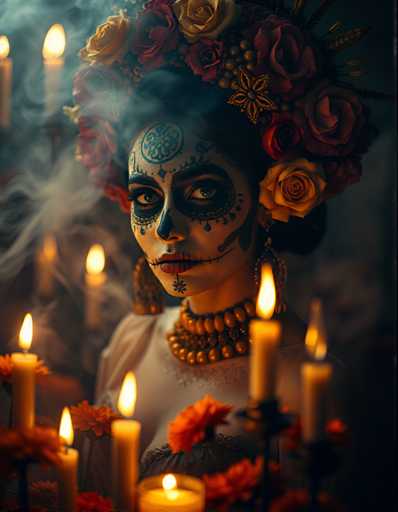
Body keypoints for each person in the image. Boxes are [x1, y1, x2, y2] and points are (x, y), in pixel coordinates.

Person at [69, 0, 378, 480]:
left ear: (267, 195)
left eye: (204, 192)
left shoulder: (305, 382)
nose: (167, 228)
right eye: (147, 198)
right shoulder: (130, 342)